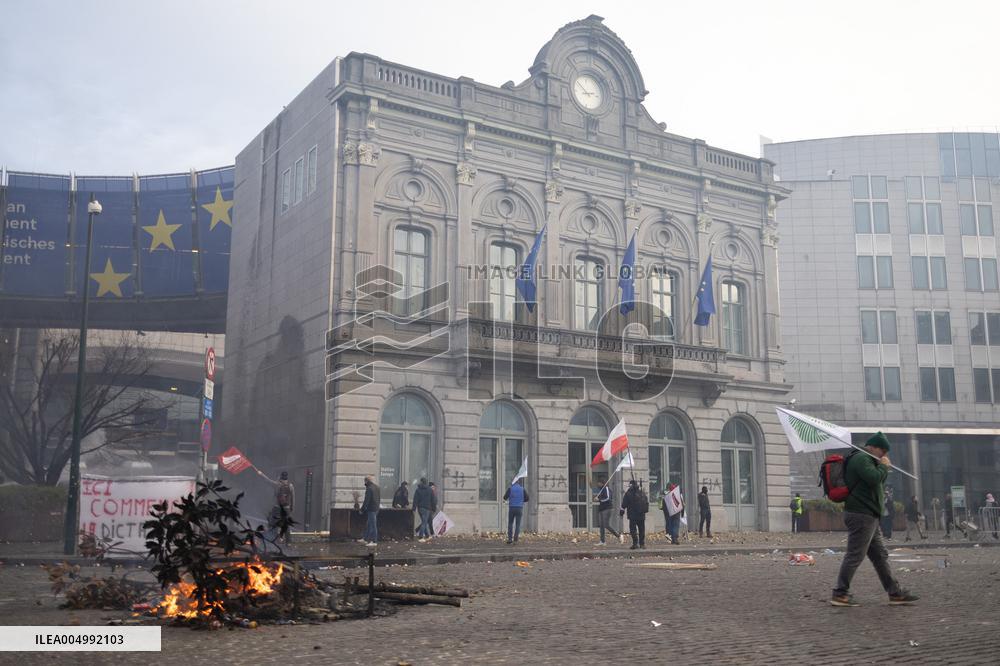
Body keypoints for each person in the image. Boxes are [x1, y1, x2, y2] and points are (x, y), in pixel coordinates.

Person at [831, 432, 918, 607]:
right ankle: (840, 593)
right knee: (855, 554)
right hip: (862, 514)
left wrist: (880, 465)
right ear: (873, 447)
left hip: (869, 515)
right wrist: (884, 467)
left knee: (880, 556)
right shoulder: (861, 458)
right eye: (883, 451)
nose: (884, 455)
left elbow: (874, 480)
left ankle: (895, 592)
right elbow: (873, 478)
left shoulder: (867, 459)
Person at [263, 470, 295, 545]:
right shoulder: (291, 486)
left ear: (281, 477)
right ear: (287, 478)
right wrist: (292, 508)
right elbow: (293, 498)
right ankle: (288, 542)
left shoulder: (277, 484)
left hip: (277, 507)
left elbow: (268, 480)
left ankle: (273, 540)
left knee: (273, 523)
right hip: (286, 508)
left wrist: (261, 474)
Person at [620, 479, 648, 550]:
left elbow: (624, 503)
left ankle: (635, 543)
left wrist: (622, 511)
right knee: (642, 529)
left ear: (630, 485)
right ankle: (642, 544)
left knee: (633, 530)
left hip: (632, 515)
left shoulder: (628, 493)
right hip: (641, 514)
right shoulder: (642, 492)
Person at [502, 479, 529, 544]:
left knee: (510, 523)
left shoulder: (510, 488)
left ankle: (510, 539)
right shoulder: (522, 489)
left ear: (513, 482)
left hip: (512, 508)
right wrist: (521, 500)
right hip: (519, 508)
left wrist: (511, 498)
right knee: (518, 524)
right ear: (518, 482)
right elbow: (527, 498)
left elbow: (505, 497)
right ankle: (515, 540)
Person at [359, 475, 380, 547]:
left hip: (371, 509)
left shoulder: (369, 488)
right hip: (376, 508)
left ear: (366, 481)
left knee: (373, 525)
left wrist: (362, 509)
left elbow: (366, 500)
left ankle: (374, 541)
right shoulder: (377, 487)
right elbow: (378, 498)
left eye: (364, 481)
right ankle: (365, 538)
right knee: (369, 524)